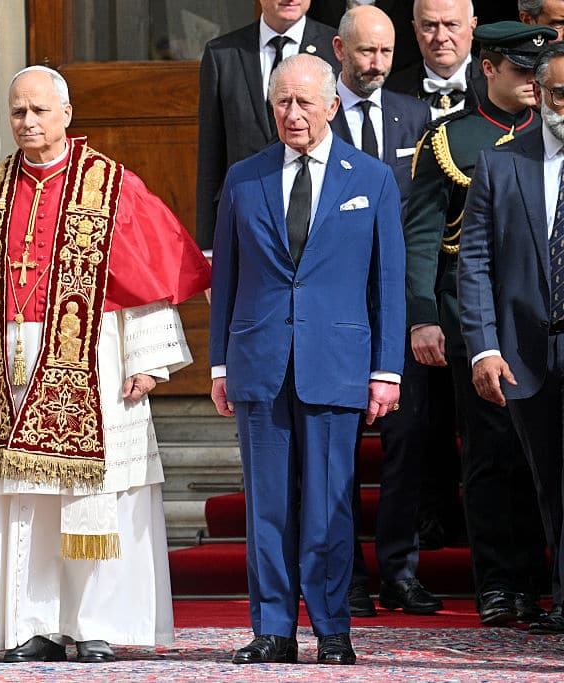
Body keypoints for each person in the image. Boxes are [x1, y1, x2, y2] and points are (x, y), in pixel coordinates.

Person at [0, 65, 210, 664]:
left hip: (98, 360)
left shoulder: (111, 187)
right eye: (18, 112)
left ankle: (92, 623)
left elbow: (143, 280)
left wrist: (147, 359)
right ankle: (30, 624)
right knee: (26, 500)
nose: (28, 121)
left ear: (66, 114)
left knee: (94, 495)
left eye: (39, 110)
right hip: (10, 365)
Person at [210, 53, 405, 665]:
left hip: (337, 364)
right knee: (268, 506)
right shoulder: (244, 178)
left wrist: (386, 369)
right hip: (259, 362)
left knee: (328, 506)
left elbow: (387, 281)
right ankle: (272, 628)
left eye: (304, 102)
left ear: (332, 106)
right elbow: (227, 277)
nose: (292, 114)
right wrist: (219, 365)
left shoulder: (371, 178)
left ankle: (331, 628)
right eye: (282, 103)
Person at [405, 21, 553, 625]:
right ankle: (497, 582)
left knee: (541, 455)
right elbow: (422, 235)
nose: (533, 82)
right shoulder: (451, 138)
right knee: (490, 454)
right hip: (473, 318)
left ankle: (539, 582)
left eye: (539, 72)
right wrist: (422, 317)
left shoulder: (552, 134)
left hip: (540, 317)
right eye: (520, 70)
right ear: (488, 68)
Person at [328, 4, 438, 619]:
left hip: (396, 306)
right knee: (338, 447)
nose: (377, 63)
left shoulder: (415, 116)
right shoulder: (315, 113)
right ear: (339, 51)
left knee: (406, 442)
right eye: (366, 51)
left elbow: (423, 216)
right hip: (338, 310)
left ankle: (399, 571)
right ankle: (346, 575)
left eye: (387, 52)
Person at [459, 39, 564, 636]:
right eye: (560, 94)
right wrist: (484, 346)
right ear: (539, 94)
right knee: (549, 482)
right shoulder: (500, 164)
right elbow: (474, 263)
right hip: (526, 354)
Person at [196, 0, 339, 250]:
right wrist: (207, 247)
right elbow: (210, 155)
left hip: (317, 221)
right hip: (243, 221)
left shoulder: (336, 49)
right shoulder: (223, 53)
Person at [386, 0, 485, 121]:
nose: (440, 37)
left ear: (472, 27)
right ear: (416, 29)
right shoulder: (389, 92)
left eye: (451, 25)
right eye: (430, 26)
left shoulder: (497, 87)